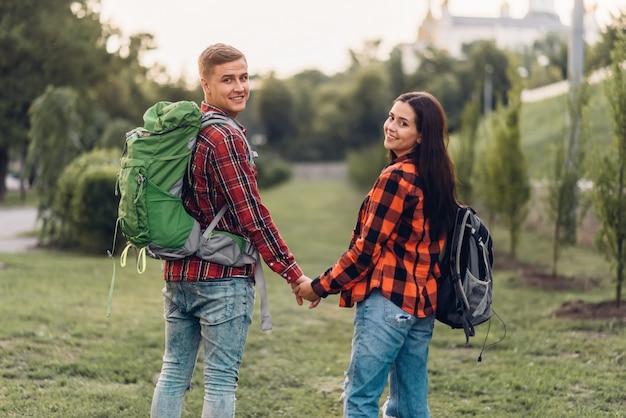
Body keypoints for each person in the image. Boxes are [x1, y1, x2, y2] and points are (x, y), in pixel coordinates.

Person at [150, 43, 314, 418]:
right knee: (221, 380)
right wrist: (292, 272)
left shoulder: (187, 131)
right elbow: (252, 215)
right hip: (223, 278)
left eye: (243, 77)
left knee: (173, 371)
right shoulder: (225, 138)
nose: (240, 86)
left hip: (179, 273)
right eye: (228, 79)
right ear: (205, 84)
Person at [296, 91, 459, 418]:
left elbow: (364, 251)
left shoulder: (397, 177)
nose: (391, 127)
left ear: (421, 135)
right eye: (391, 117)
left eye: (403, 123)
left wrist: (319, 286)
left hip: (389, 302)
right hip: (422, 305)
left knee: (360, 400)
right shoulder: (435, 176)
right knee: (411, 405)